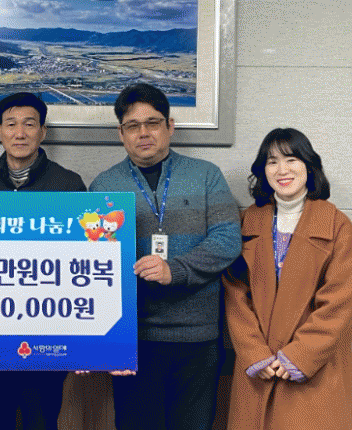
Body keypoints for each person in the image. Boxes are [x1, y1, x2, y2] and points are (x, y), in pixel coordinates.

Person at [89, 83, 241, 430]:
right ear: (121, 133)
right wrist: (95, 340)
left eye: (153, 123)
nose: (143, 133)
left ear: (169, 126)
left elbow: (228, 239)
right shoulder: (104, 185)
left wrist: (176, 269)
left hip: (197, 337)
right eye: (133, 125)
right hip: (132, 339)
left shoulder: (206, 175)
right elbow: (94, 260)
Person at [223, 128, 352, 429]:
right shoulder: (248, 221)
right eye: (272, 161)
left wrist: (300, 354)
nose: (282, 170)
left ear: (309, 166)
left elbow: (340, 302)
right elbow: (234, 293)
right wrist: (253, 352)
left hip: (314, 372)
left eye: (291, 159)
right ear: (263, 170)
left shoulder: (337, 226)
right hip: (258, 370)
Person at [0, 92, 87, 430]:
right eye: (11, 124)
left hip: (48, 332)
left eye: (29, 125)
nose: (19, 133)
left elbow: (83, 264)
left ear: (42, 132)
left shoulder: (69, 185)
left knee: (41, 420)